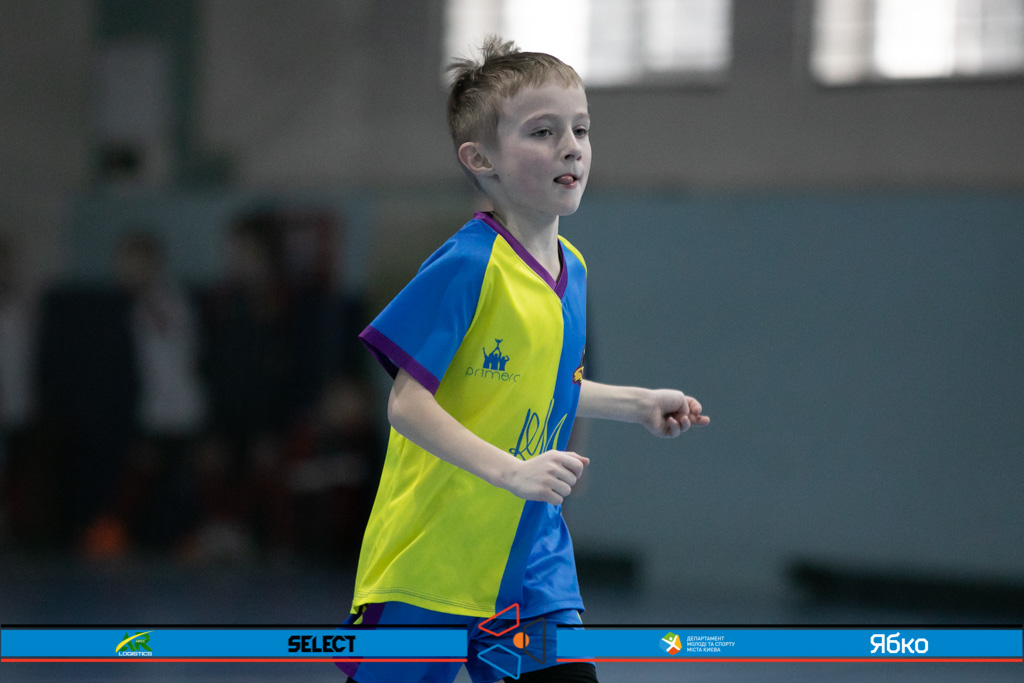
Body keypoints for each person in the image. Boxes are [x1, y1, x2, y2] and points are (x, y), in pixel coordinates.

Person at [339, 37, 709, 683]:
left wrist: (638, 404)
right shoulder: (467, 264)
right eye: (543, 131)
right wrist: (513, 471)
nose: (571, 147)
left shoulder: (574, 270)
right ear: (481, 159)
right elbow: (406, 404)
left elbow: (542, 384)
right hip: (433, 556)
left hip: (531, 558)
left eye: (581, 129)